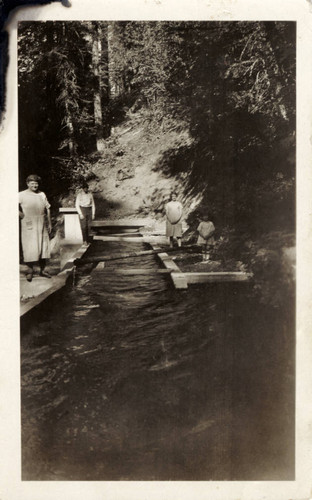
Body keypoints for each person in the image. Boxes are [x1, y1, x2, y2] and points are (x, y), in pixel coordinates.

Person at [19, 174, 52, 282]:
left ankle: (42, 270)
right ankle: (29, 271)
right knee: (30, 247)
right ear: (27, 184)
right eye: (32, 183)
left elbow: (48, 209)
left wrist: (50, 223)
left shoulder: (41, 194)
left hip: (42, 222)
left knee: (44, 247)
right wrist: (21, 214)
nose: (35, 185)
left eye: (36, 183)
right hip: (29, 223)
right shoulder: (21, 195)